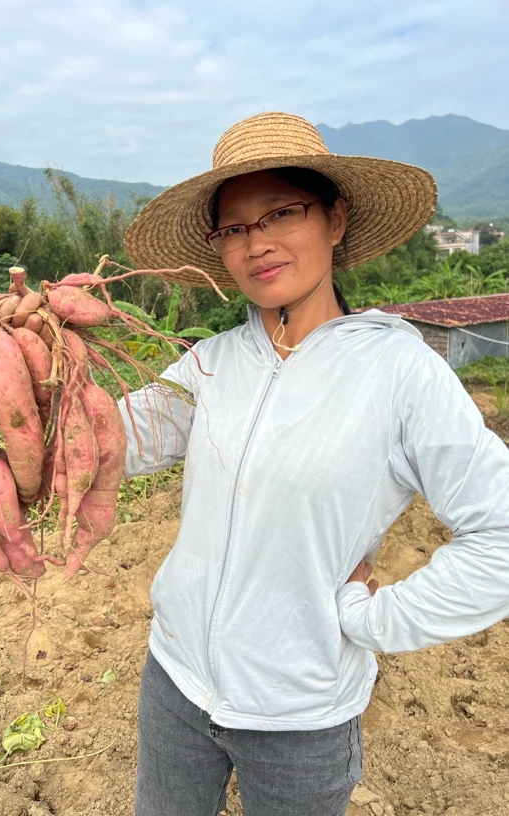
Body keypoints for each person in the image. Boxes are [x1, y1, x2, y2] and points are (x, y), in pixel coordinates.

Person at [116, 112, 509, 816]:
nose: (255, 244)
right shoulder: (210, 363)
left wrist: (373, 618)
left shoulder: (398, 371)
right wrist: (23, 382)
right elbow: (114, 441)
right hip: (174, 681)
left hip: (299, 716)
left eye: (280, 214)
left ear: (335, 219)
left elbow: (501, 535)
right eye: (234, 228)